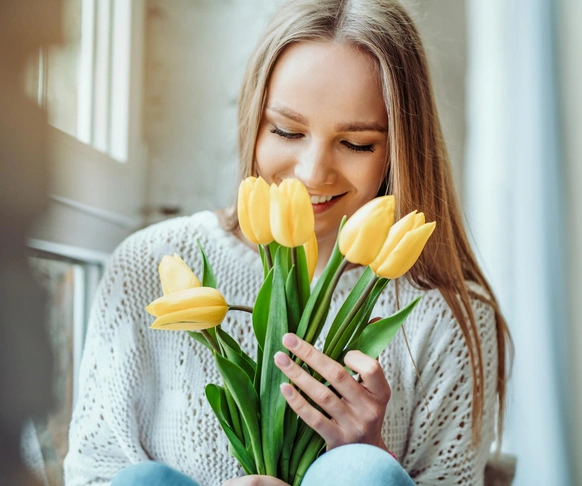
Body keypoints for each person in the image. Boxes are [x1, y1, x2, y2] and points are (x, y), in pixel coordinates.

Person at [64, 0, 512, 485]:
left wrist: (372, 454)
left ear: (399, 148)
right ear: (253, 122)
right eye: (286, 130)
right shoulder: (149, 264)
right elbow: (94, 469)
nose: (312, 172)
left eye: (356, 143)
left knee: (365, 473)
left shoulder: (444, 315)